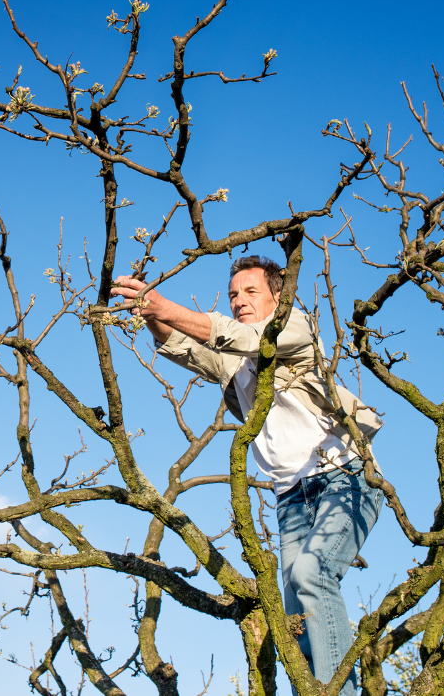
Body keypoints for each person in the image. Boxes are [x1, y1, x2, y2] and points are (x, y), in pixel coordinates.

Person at [111, 255, 383, 696]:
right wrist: (148, 310)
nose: (239, 300)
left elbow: (246, 337)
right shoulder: (233, 361)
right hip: (292, 495)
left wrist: (164, 306)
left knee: (312, 575)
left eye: (250, 292)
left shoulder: (295, 325)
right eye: (234, 293)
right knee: (295, 616)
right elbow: (183, 345)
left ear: (278, 296)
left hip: (345, 475)